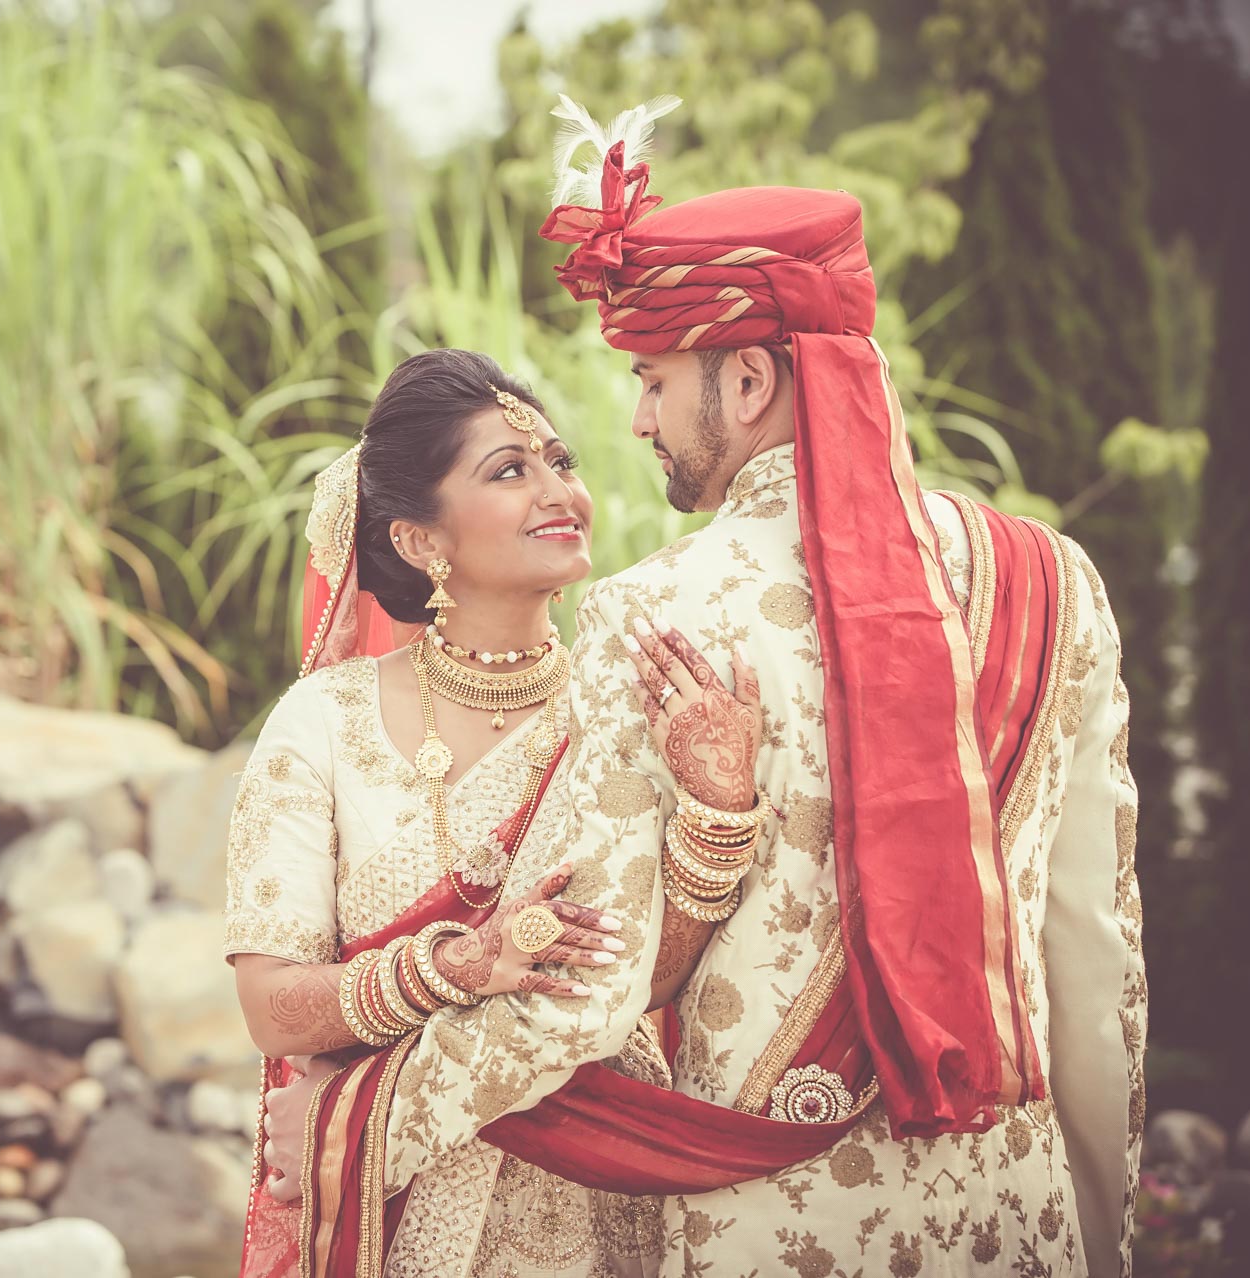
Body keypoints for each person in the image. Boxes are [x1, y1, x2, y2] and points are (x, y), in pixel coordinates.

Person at [264, 98, 1145, 1278]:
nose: (634, 421)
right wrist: (1101, 1220)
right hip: (1018, 1216)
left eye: (652, 380)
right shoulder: (1053, 582)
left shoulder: (660, 612)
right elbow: (1095, 957)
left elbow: (583, 980)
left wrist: (358, 1121)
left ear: (744, 383)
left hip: (774, 1234)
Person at [223, 347, 766, 1278]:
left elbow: (645, 979)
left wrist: (719, 810)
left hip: (595, 1168)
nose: (559, 490)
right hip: (389, 1185)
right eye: (509, 471)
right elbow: (273, 1009)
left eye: (562, 463)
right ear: (418, 540)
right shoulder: (325, 719)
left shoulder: (628, 699)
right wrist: (465, 963)